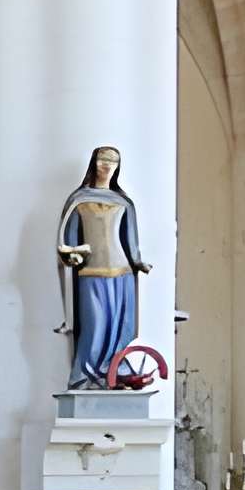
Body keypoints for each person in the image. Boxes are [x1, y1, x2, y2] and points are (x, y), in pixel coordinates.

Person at [55, 146, 150, 388]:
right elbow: (69, 238)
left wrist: (138, 261)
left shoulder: (123, 202)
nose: (107, 166)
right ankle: (85, 376)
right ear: (93, 163)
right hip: (91, 273)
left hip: (122, 273)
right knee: (94, 326)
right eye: (102, 160)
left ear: (118, 167)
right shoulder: (79, 200)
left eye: (113, 161)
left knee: (120, 327)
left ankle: (115, 370)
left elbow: (130, 239)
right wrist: (71, 255)